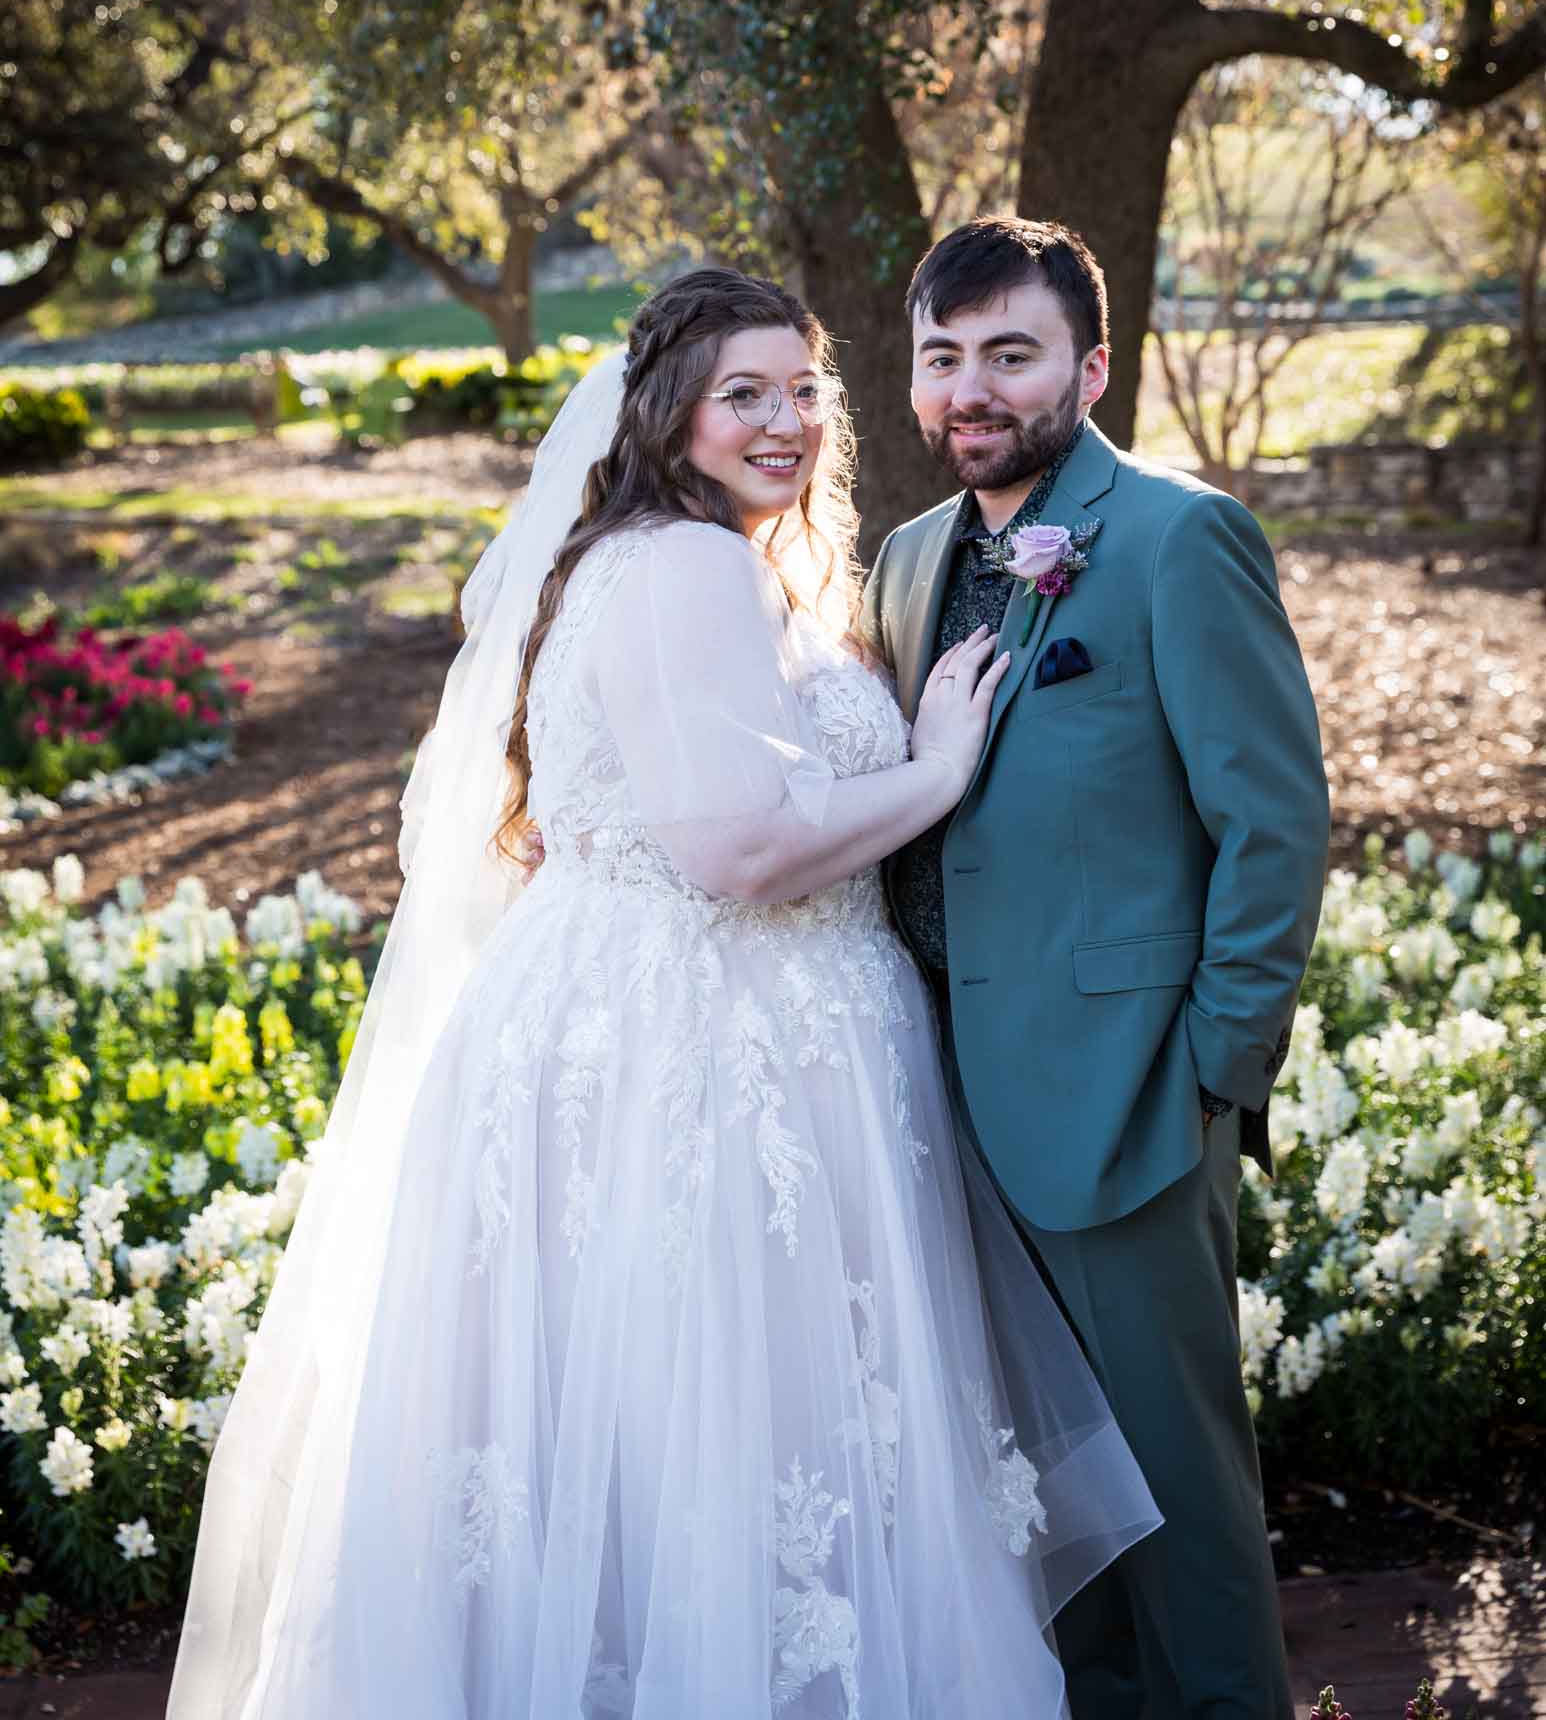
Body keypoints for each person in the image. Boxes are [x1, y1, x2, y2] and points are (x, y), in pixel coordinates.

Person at [167, 267, 1158, 1719]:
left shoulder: (685, 559)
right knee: (733, 1429)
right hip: (701, 1053)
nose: (785, 421)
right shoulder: (683, 565)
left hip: (691, 1030)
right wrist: (935, 769)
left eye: (803, 388)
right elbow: (732, 848)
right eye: (741, 392)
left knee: (675, 1446)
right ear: (664, 409)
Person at [863, 216, 1331, 1719]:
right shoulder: (906, 559)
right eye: (942, 358)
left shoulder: (1181, 538)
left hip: (1126, 1104)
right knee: (1045, 1516)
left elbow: (1271, 819)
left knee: (1174, 1499)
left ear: (1091, 365)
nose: (969, 390)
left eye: (1010, 353)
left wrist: (1213, 1067)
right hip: (942, 1111)